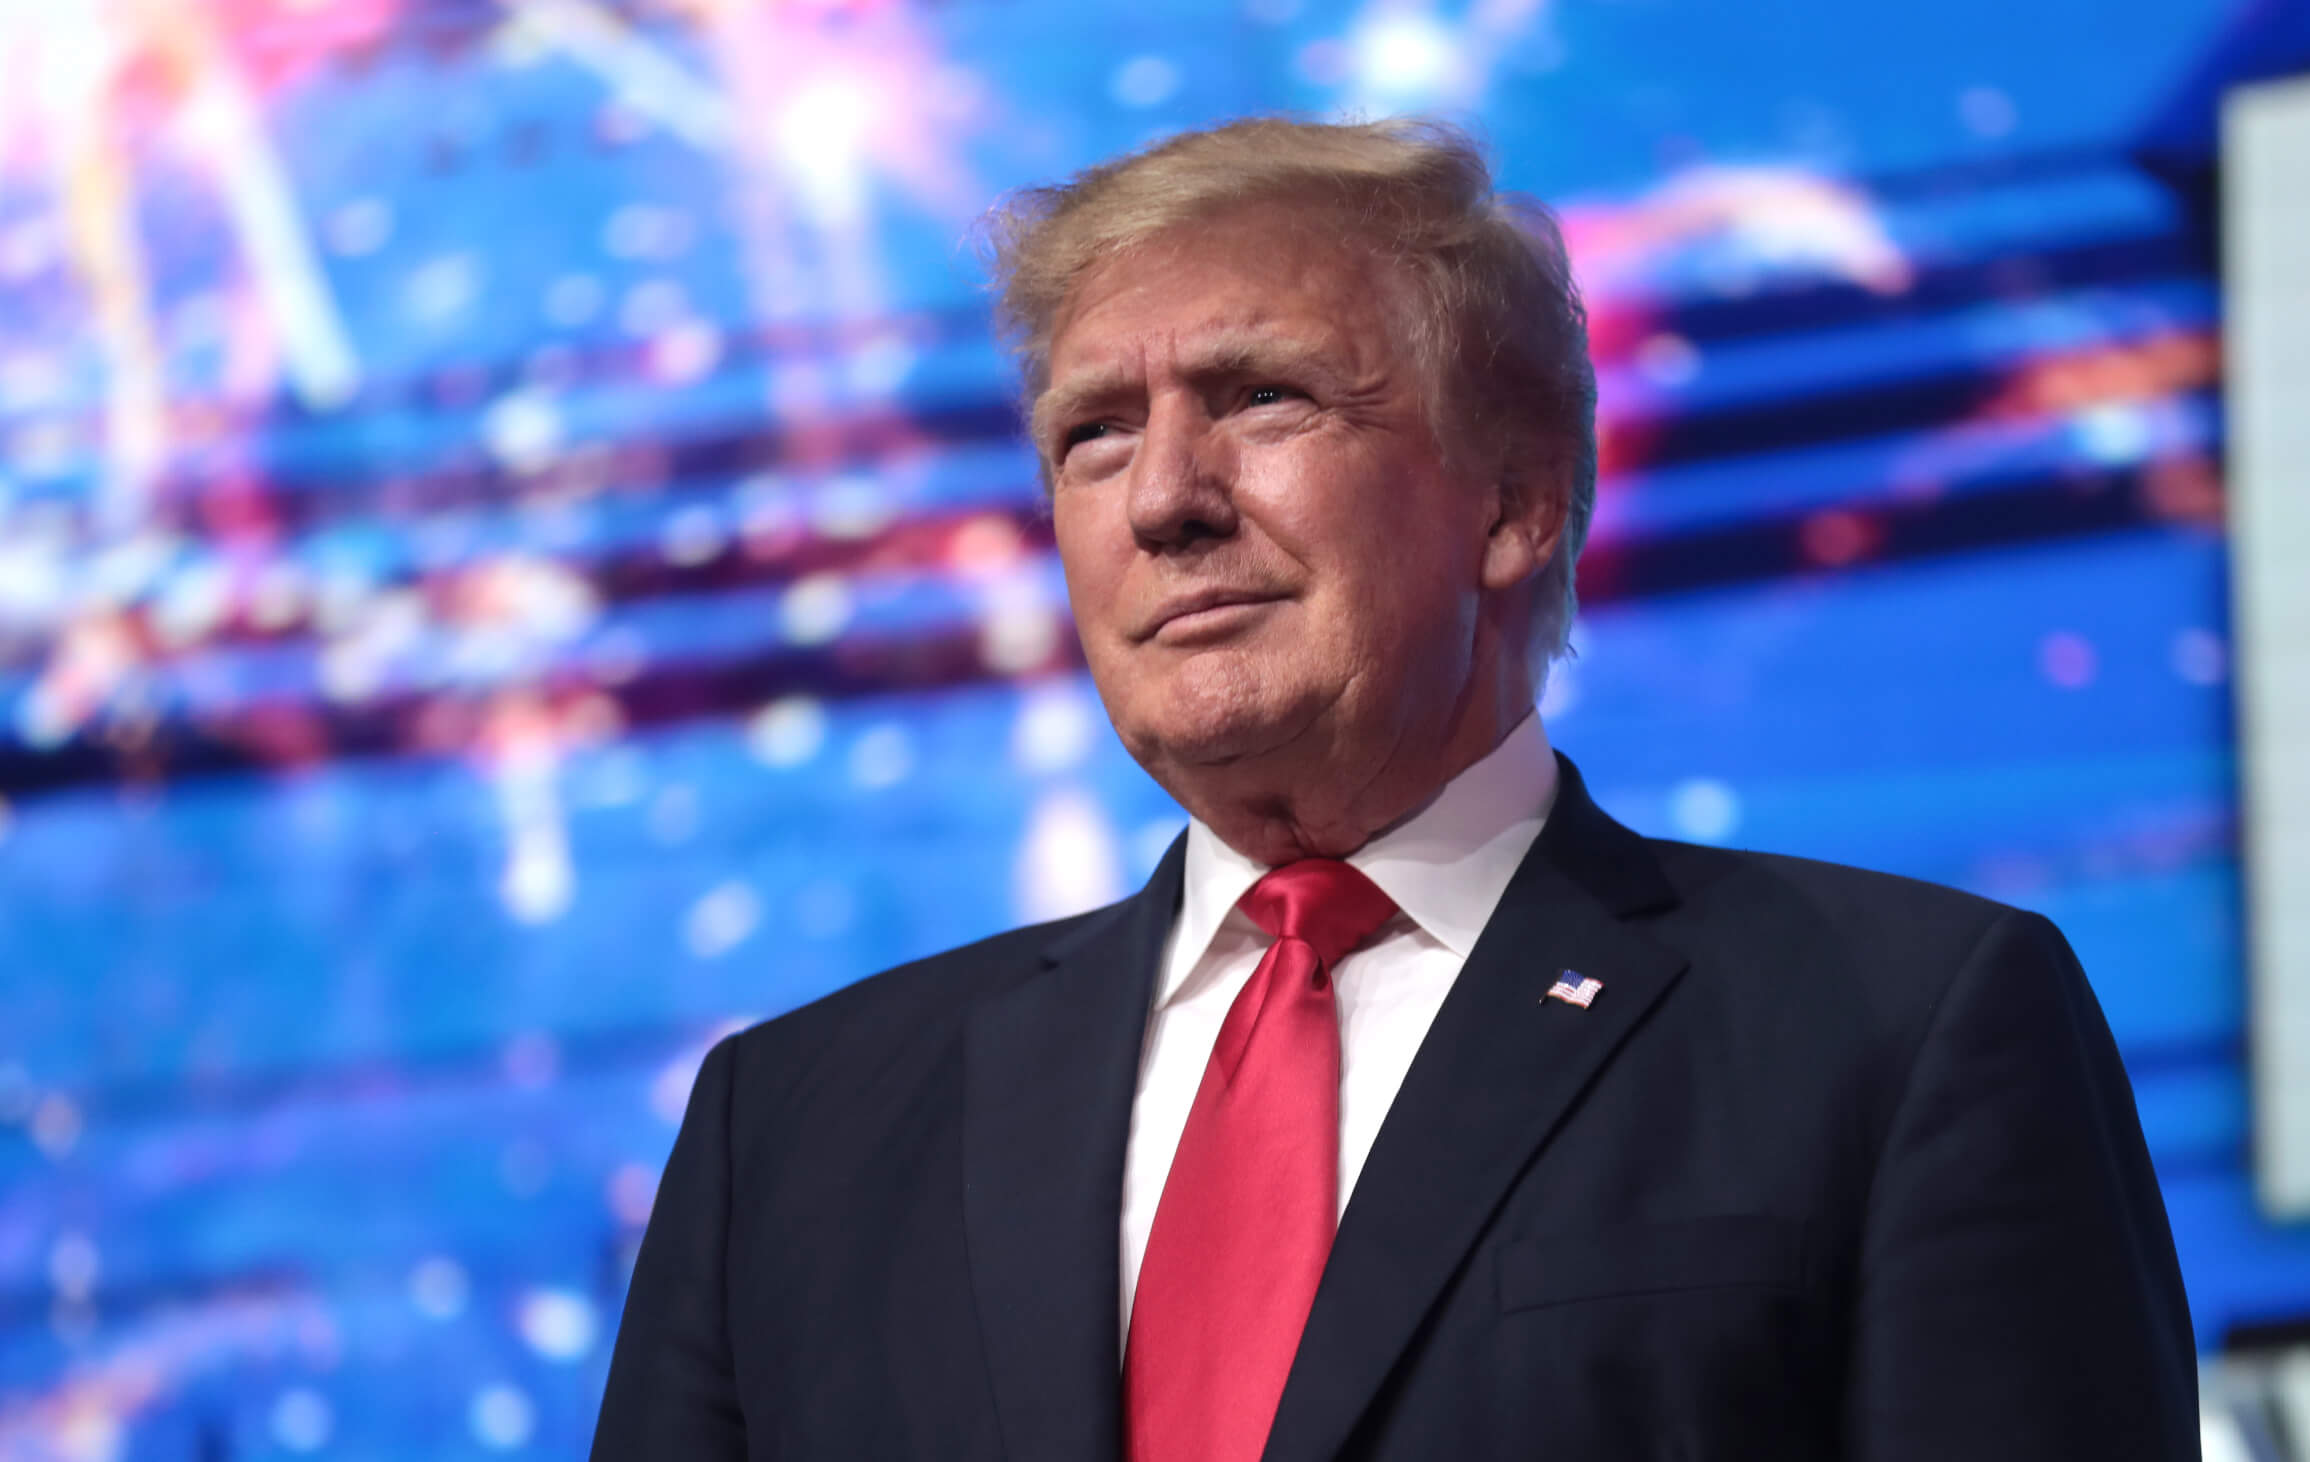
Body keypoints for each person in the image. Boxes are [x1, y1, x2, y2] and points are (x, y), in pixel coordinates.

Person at [589, 116, 2198, 1462]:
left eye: (1262, 399)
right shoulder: (792, 1134)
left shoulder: (1902, 1032)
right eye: (1093, 433)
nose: (1163, 498)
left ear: (1514, 501)